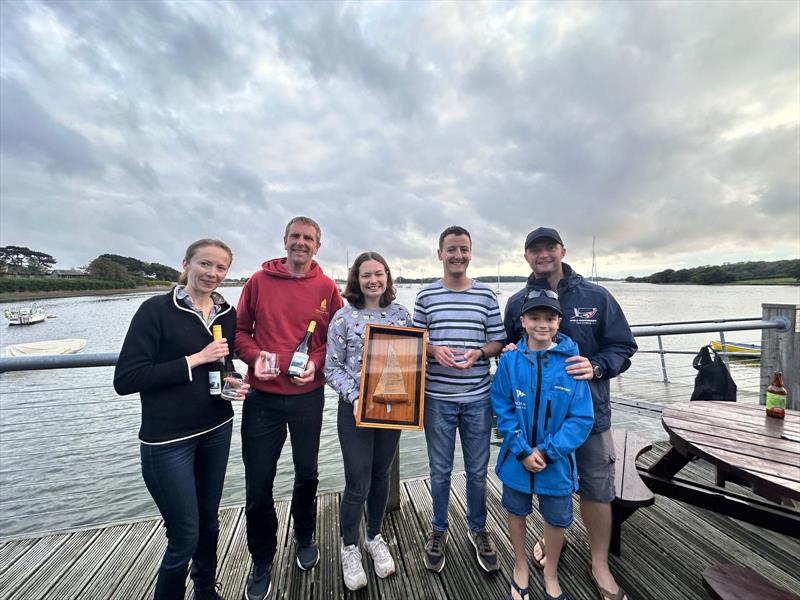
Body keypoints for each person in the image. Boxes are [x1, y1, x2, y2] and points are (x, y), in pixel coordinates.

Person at [504, 227, 637, 600]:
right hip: (538, 428)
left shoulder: (596, 295)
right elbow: (512, 348)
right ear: (526, 256)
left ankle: (599, 563)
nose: (543, 254)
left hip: (589, 415)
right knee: (549, 488)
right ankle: (551, 549)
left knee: (597, 488)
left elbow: (623, 346)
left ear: (562, 250)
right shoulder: (517, 303)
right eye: (535, 250)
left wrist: (596, 367)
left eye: (550, 248)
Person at [114, 239, 248, 600]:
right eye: (205, 264)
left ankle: (205, 589)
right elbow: (126, 379)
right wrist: (195, 359)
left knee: (209, 523)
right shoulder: (155, 310)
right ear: (186, 263)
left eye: (220, 268)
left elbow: (223, 365)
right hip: (168, 440)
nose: (212, 274)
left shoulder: (226, 314)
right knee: (184, 535)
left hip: (217, 428)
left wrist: (233, 383)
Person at [235, 216, 343, 600]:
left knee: (307, 473)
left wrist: (316, 362)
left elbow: (336, 338)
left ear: (318, 245)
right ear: (284, 241)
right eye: (295, 236)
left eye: (308, 238)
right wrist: (254, 356)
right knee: (258, 482)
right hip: (262, 398)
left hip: (306, 397)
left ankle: (304, 535)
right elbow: (239, 334)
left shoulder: (328, 287)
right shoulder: (257, 282)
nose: (301, 243)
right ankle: (261, 557)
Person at [412, 225, 506, 573]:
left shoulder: (484, 295)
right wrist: (433, 350)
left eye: (464, 249)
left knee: (478, 472)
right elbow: (415, 342)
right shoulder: (425, 296)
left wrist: (479, 353)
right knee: (439, 472)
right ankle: (439, 528)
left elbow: (497, 340)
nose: (458, 256)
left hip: (478, 400)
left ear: (470, 253)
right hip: (436, 398)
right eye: (451, 249)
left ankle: (478, 528)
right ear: (440, 253)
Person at [492, 292, 594, 600]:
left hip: (557, 462)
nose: (542, 324)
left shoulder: (573, 364)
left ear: (559, 321)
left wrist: (549, 451)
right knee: (516, 510)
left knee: (556, 518)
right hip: (516, 457)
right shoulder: (509, 361)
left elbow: (581, 418)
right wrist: (522, 450)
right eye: (534, 318)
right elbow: (502, 406)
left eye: (549, 318)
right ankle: (520, 564)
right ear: (522, 321)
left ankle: (551, 572)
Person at [325, 251, 412, 591]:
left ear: (387, 277)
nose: (373, 280)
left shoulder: (403, 315)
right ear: (356, 280)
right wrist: (356, 397)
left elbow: (412, 360)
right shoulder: (343, 318)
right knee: (357, 481)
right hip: (356, 410)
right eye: (366, 275)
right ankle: (350, 546)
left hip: (393, 409)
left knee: (381, 475)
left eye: (379, 273)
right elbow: (331, 368)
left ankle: (374, 537)